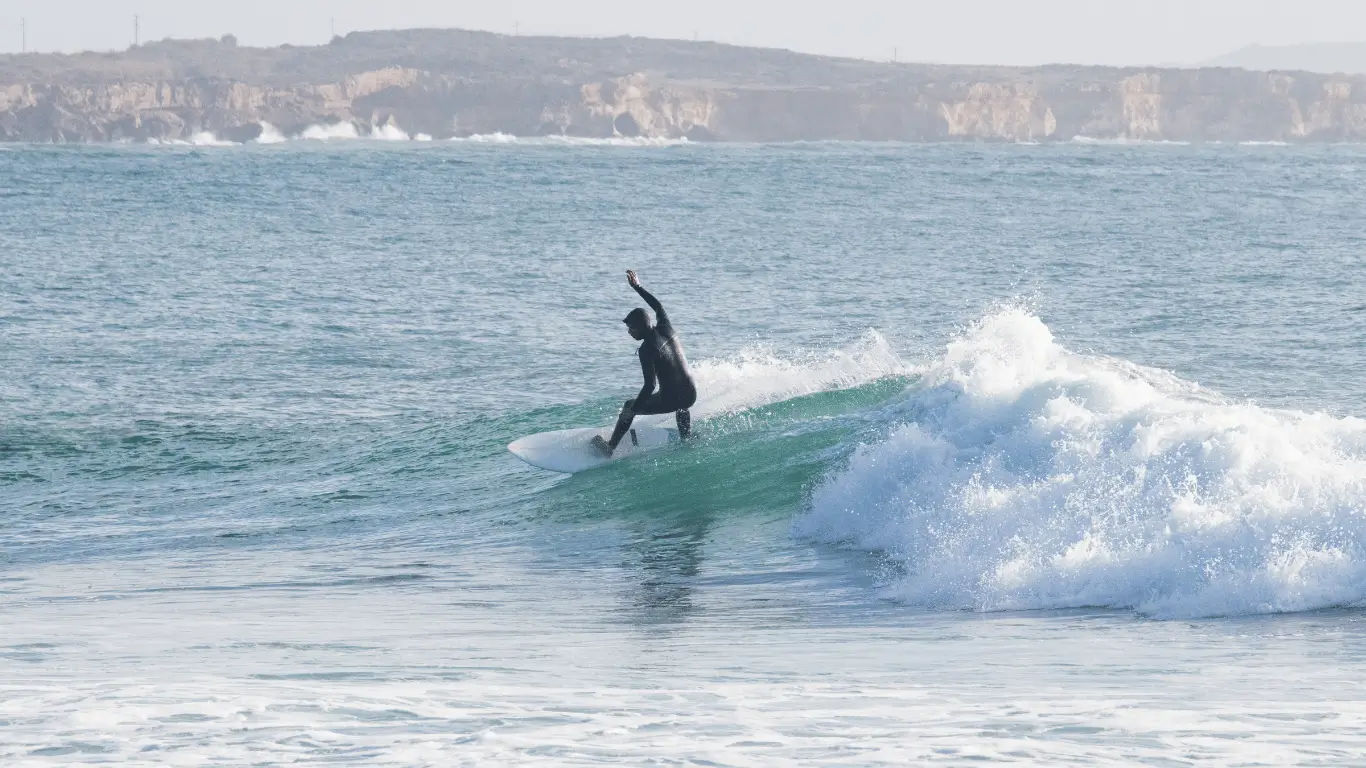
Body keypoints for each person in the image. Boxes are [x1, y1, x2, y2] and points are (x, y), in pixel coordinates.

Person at [591, 270, 697, 456]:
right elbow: (658, 306)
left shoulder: (647, 350)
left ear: (640, 328)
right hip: (690, 393)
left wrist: (632, 410)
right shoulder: (665, 326)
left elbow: (650, 385)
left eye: (631, 328)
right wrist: (638, 287)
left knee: (628, 405)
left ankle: (610, 447)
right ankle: (686, 438)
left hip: (672, 399)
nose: (629, 333)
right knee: (681, 402)